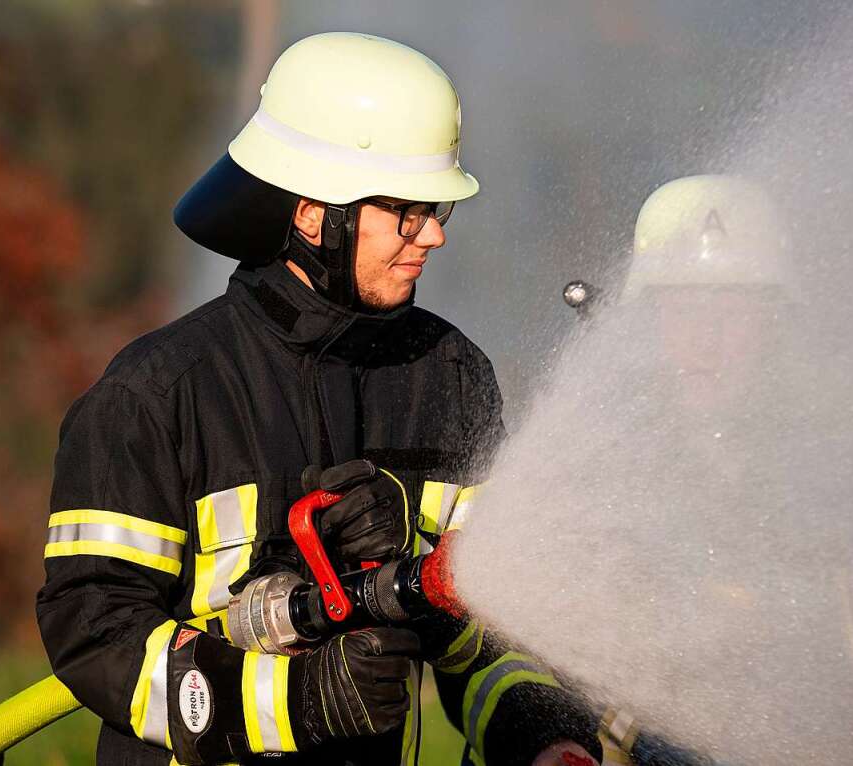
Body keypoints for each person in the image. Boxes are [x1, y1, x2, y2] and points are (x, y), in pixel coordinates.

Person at [36, 32, 602, 766]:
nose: (431, 234)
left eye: (437, 209)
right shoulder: (157, 393)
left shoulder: (451, 377)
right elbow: (92, 630)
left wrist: (542, 733)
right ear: (312, 215)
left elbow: (490, 623)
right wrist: (293, 703)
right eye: (404, 210)